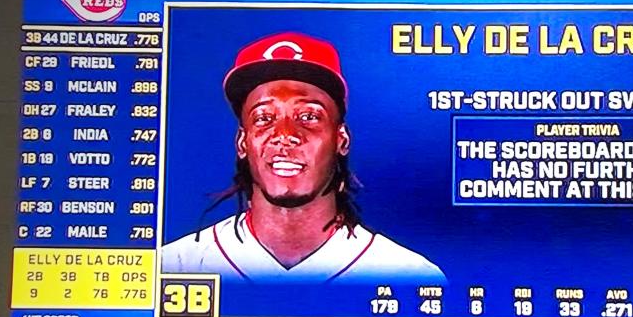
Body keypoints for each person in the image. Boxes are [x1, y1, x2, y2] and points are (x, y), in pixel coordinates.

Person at [161, 31, 445, 284]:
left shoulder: (409, 276)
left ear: (341, 139)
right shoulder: (173, 267)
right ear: (242, 142)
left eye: (309, 116)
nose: (285, 134)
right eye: (264, 117)